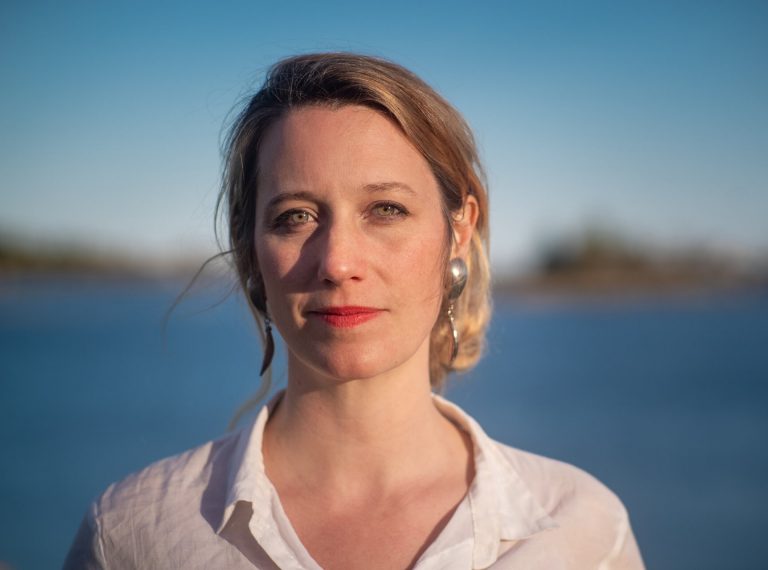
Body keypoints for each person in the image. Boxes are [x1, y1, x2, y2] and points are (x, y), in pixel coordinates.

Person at [64, 53, 644, 569]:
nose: (338, 263)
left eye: (386, 209)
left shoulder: (582, 531)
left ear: (459, 230)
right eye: (296, 216)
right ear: (250, 250)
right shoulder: (134, 535)